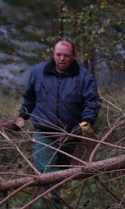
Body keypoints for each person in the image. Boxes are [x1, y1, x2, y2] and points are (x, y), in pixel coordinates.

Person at [15, 39, 100, 173]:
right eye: (58, 54)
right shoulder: (38, 72)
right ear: (53, 54)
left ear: (74, 56)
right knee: (46, 169)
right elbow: (29, 98)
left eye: (66, 55)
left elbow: (92, 103)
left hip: (70, 133)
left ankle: (58, 187)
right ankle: (51, 187)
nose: (61, 59)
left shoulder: (84, 77)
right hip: (43, 130)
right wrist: (22, 116)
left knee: (63, 171)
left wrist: (84, 126)